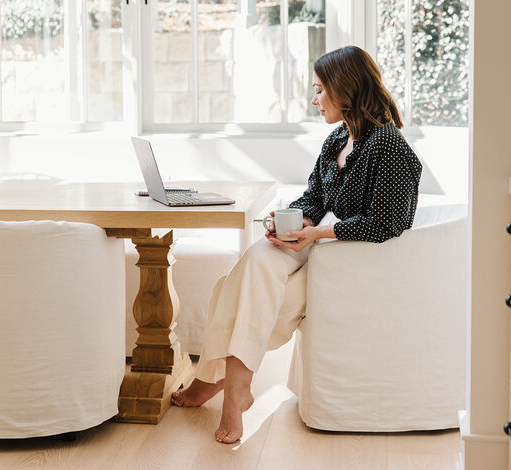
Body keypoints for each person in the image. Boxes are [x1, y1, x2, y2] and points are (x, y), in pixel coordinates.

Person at [170, 45, 422, 444]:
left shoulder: (387, 145)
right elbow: (314, 198)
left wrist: (316, 233)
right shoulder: (337, 140)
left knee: (259, 297)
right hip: (323, 244)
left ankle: (221, 384)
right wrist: (292, 221)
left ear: (347, 89)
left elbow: (388, 222)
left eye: (321, 89)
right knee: (255, 262)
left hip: (352, 258)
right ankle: (232, 388)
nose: (314, 99)